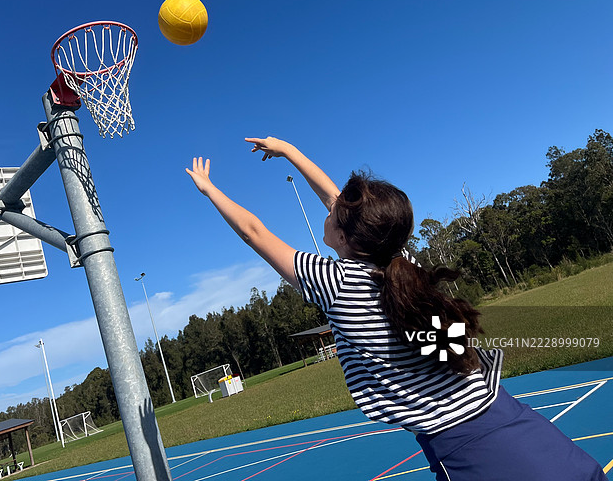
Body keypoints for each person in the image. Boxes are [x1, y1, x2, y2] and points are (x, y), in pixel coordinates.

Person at [186, 136, 608, 481]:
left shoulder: (334, 282)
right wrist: (292, 152)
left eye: (337, 212)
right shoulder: (404, 266)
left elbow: (254, 232)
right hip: (504, 410)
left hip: (466, 447)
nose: (331, 209)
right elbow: (345, 207)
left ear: (348, 237)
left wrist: (210, 190)